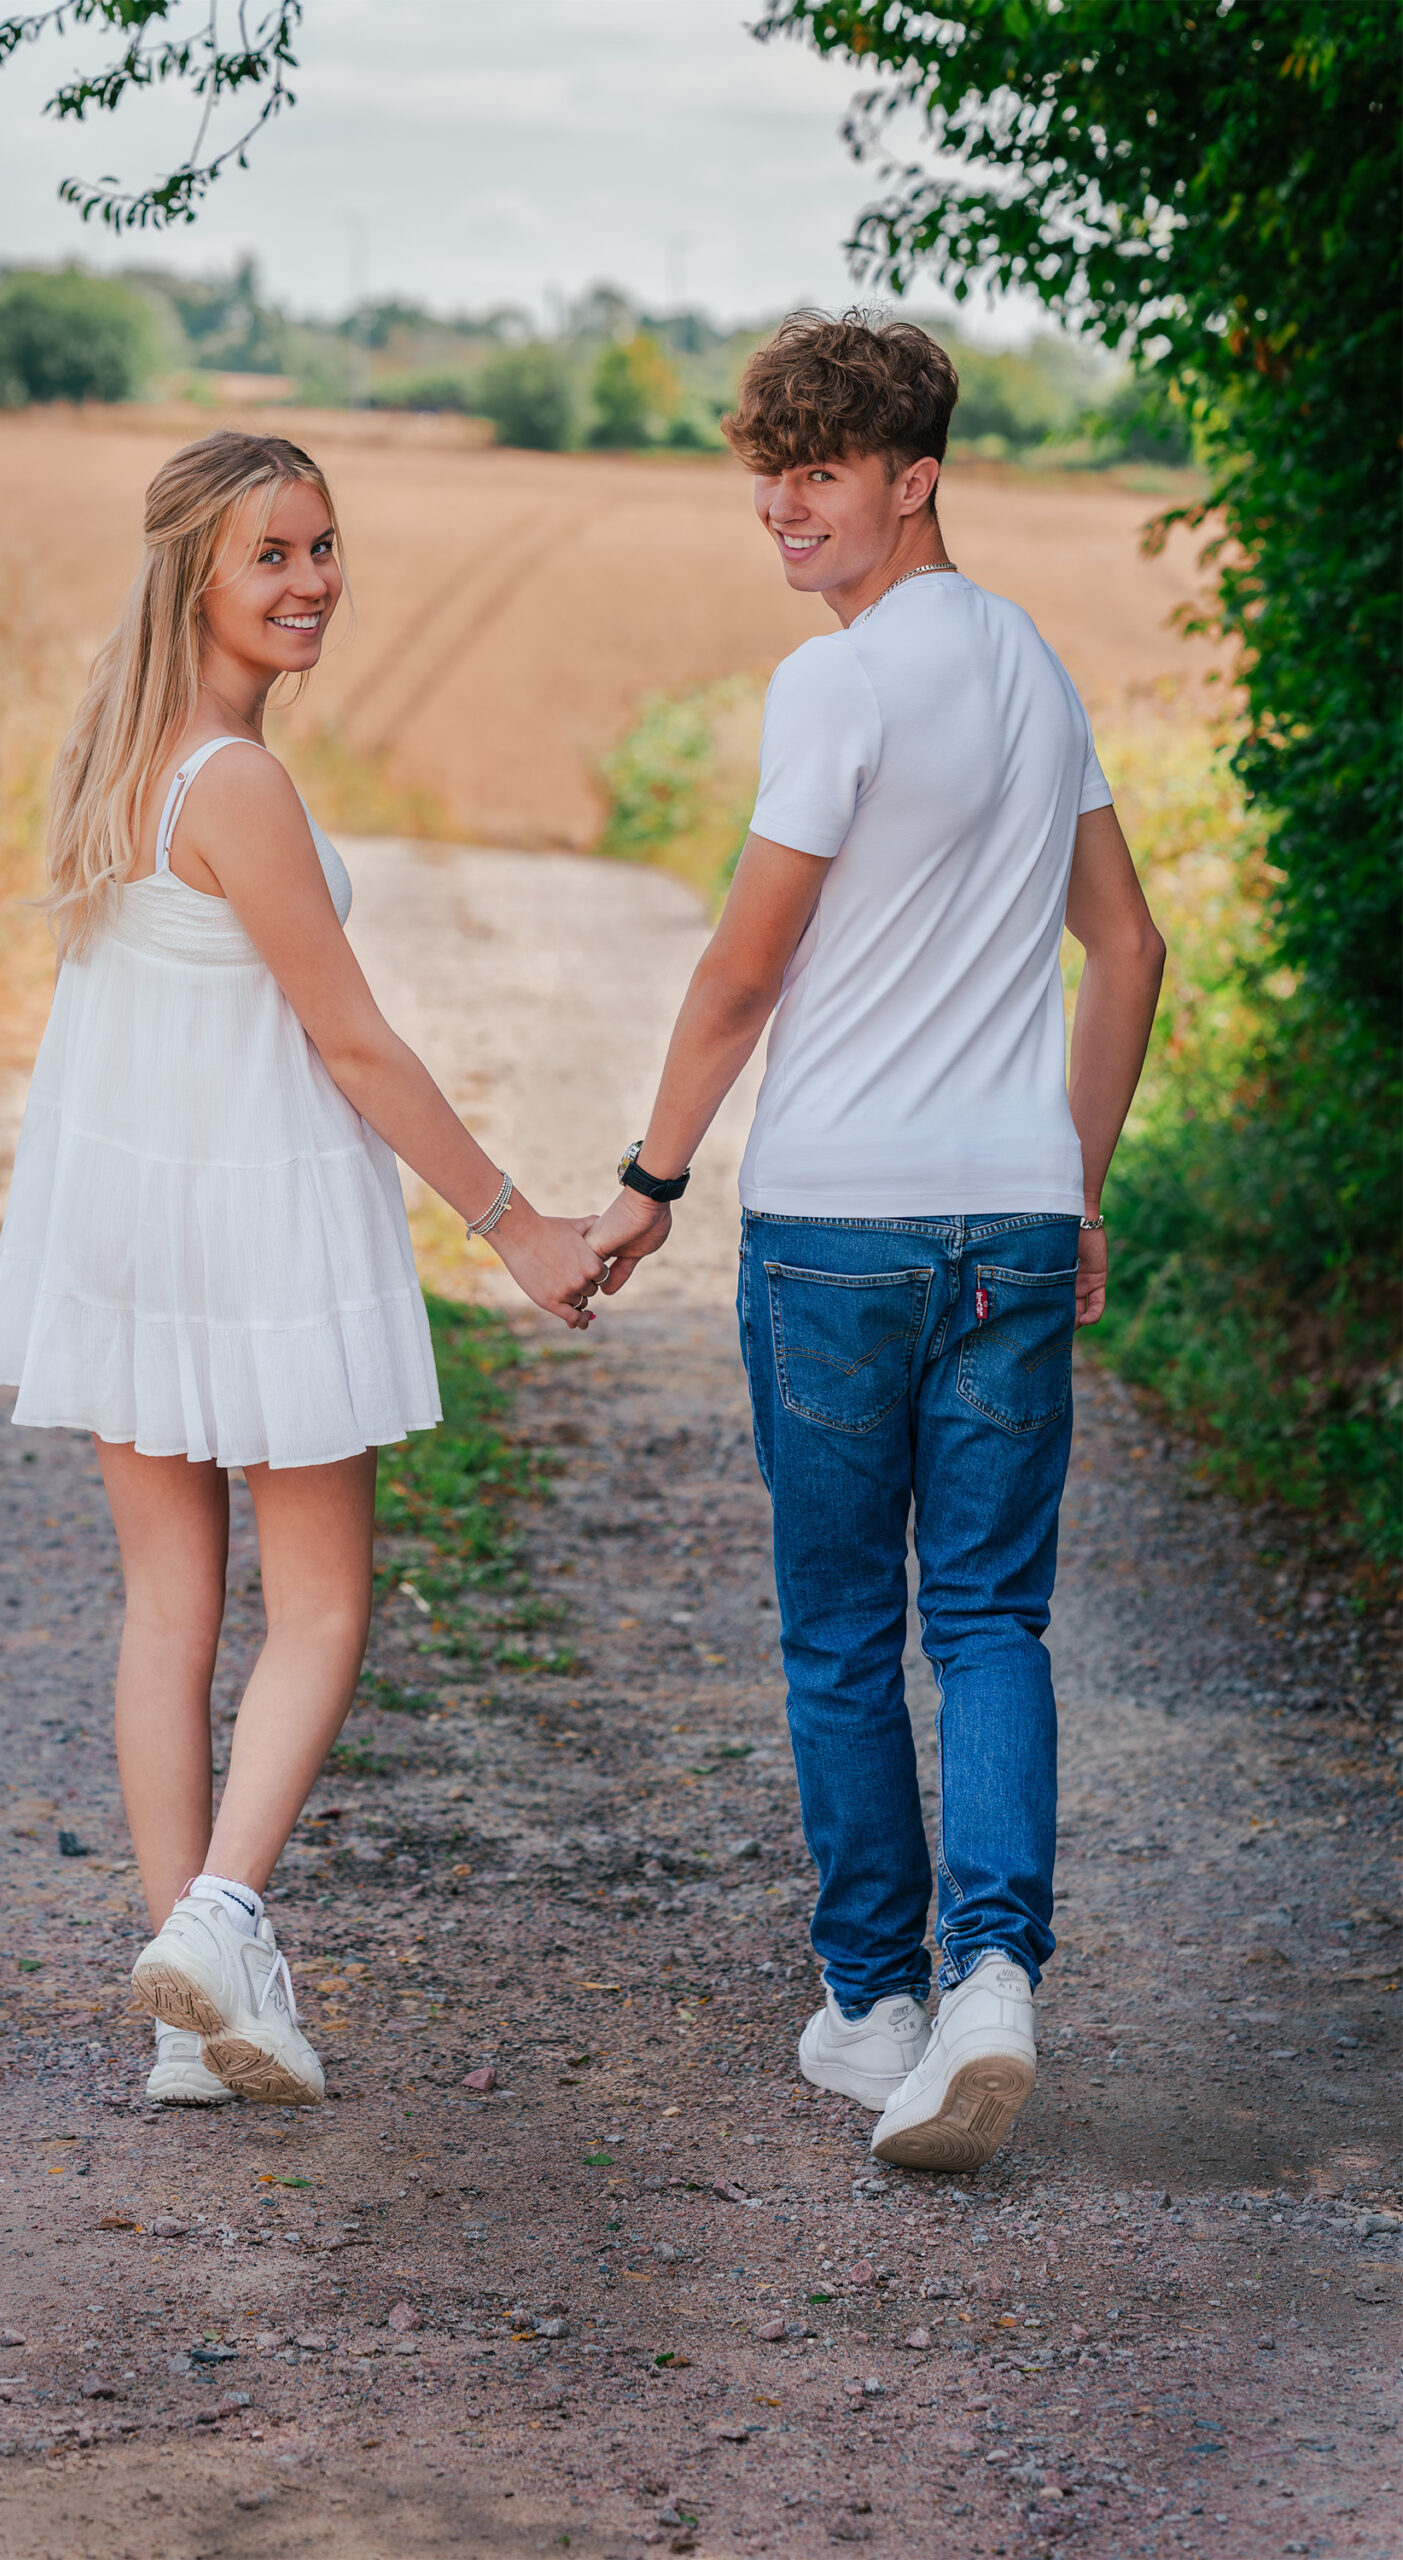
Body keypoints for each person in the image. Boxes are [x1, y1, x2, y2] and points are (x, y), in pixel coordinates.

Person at [588, 314, 1166, 2172]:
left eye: (822, 471)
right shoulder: (1033, 664)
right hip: (1008, 1212)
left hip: (836, 1225)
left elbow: (745, 970)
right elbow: (1130, 947)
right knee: (992, 1617)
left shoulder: (834, 685)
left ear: (914, 474)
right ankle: (995, 1982)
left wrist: (651, 1181)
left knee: (844, 1628)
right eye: (769, 469)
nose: (784, 505)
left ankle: (878, 2006)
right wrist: (1072, 1183)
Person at [0, 431, 603, 2109]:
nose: (316, 581)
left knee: (171, 1608)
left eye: (326, 547)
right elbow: (352, 1042)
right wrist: (517, 1223)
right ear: (200, 573)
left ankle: (195, 2022)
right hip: (252, 1230)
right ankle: (227, 1921)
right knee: (320, 1602)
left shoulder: (131, 760)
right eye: (278, 555)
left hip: (133, 1231)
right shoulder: (235, 782)